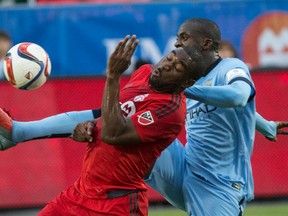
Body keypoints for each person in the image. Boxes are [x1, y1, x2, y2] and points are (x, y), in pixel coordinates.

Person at [0, 18, 288, 215]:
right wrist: (264, 124)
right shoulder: (166, 78)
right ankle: (20, 132)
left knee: (136, 125)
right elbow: (242, 108)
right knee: (114, 116)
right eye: (177, 40)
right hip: (185, 164)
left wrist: (190, 91)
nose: (178, 45)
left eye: (185, 38)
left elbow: (238, 97)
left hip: (220, 186)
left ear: (205, 44)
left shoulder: (229, 67)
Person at [38, 35, 205, 215]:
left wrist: (113, 76)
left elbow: (113, 134)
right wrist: (89, 126)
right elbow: (114, 116)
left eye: (177, 68)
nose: (165, 65)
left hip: (117, 203)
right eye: (169, 58)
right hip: (80, 193)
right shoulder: (144, 73)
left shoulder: (171, 110)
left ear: (187, 83)